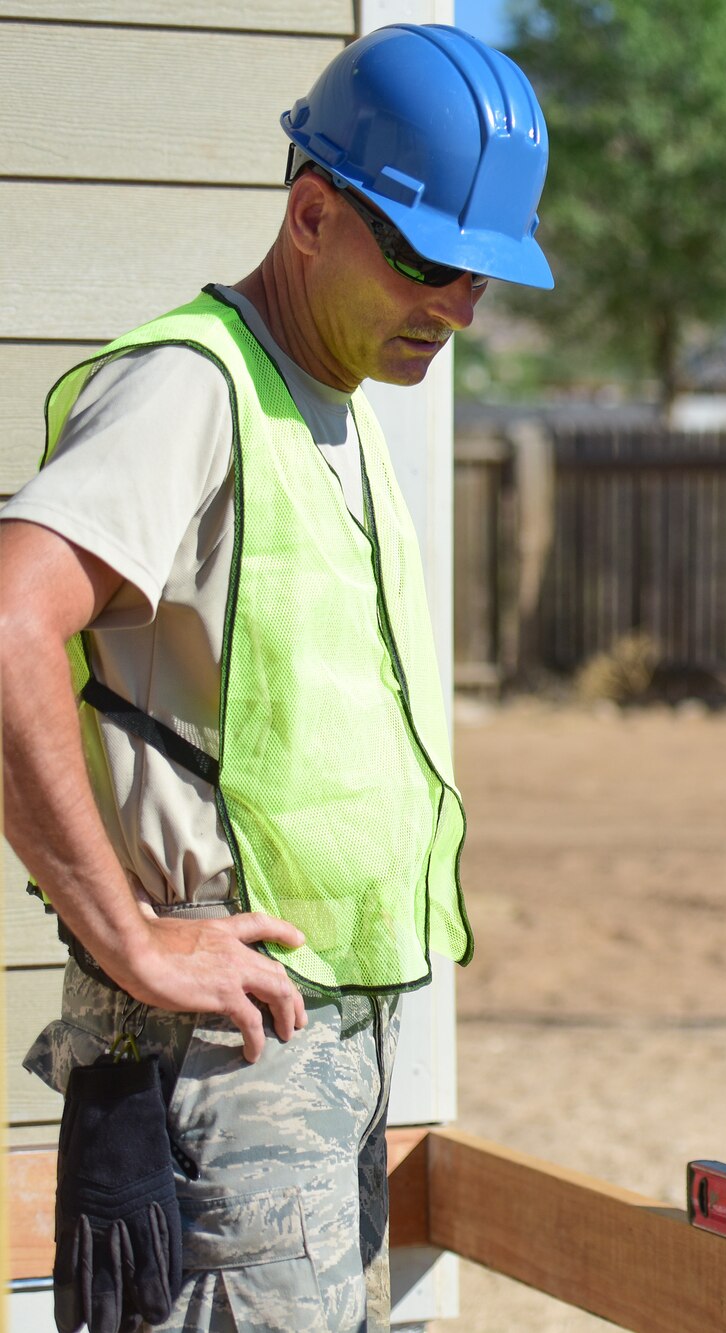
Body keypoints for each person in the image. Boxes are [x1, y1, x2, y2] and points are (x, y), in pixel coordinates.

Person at [0, 25, 551, 1332]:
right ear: (311, 215)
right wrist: (134, 937)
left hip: (300, 1063)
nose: (458, 309)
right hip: (218, 1075)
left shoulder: (333, 400)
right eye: (429, 262)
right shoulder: (191, 384)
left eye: (483, 278)